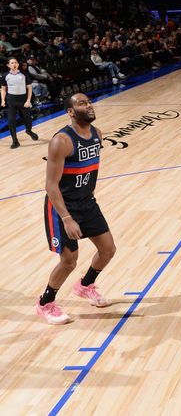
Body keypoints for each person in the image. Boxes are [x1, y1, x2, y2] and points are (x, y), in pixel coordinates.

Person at [35, 93, 116, 324]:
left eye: (89, 101)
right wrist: (67, 218)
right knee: (69, 260)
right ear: (70, 112)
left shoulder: (97, 134)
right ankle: (45, 302)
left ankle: (85, 285)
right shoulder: (61, 141)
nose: (88, 105)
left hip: (87, 202)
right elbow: (51, 185)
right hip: (62, 205)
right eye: (81, 103)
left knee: (108, 249)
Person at [1, 57, 39, 149]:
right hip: (11, 100)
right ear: (8, 65)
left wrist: (28, 100)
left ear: (18, 64)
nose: (14, 64)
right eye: (12, 63)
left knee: (28, 119)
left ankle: (29, 131)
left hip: (23, 100)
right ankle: (15, 141)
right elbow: (3, 89)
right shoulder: (5, 75)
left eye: (15, 62)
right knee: (11, 120)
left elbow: (29, 88)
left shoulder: (24, 74)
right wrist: (2, 100)